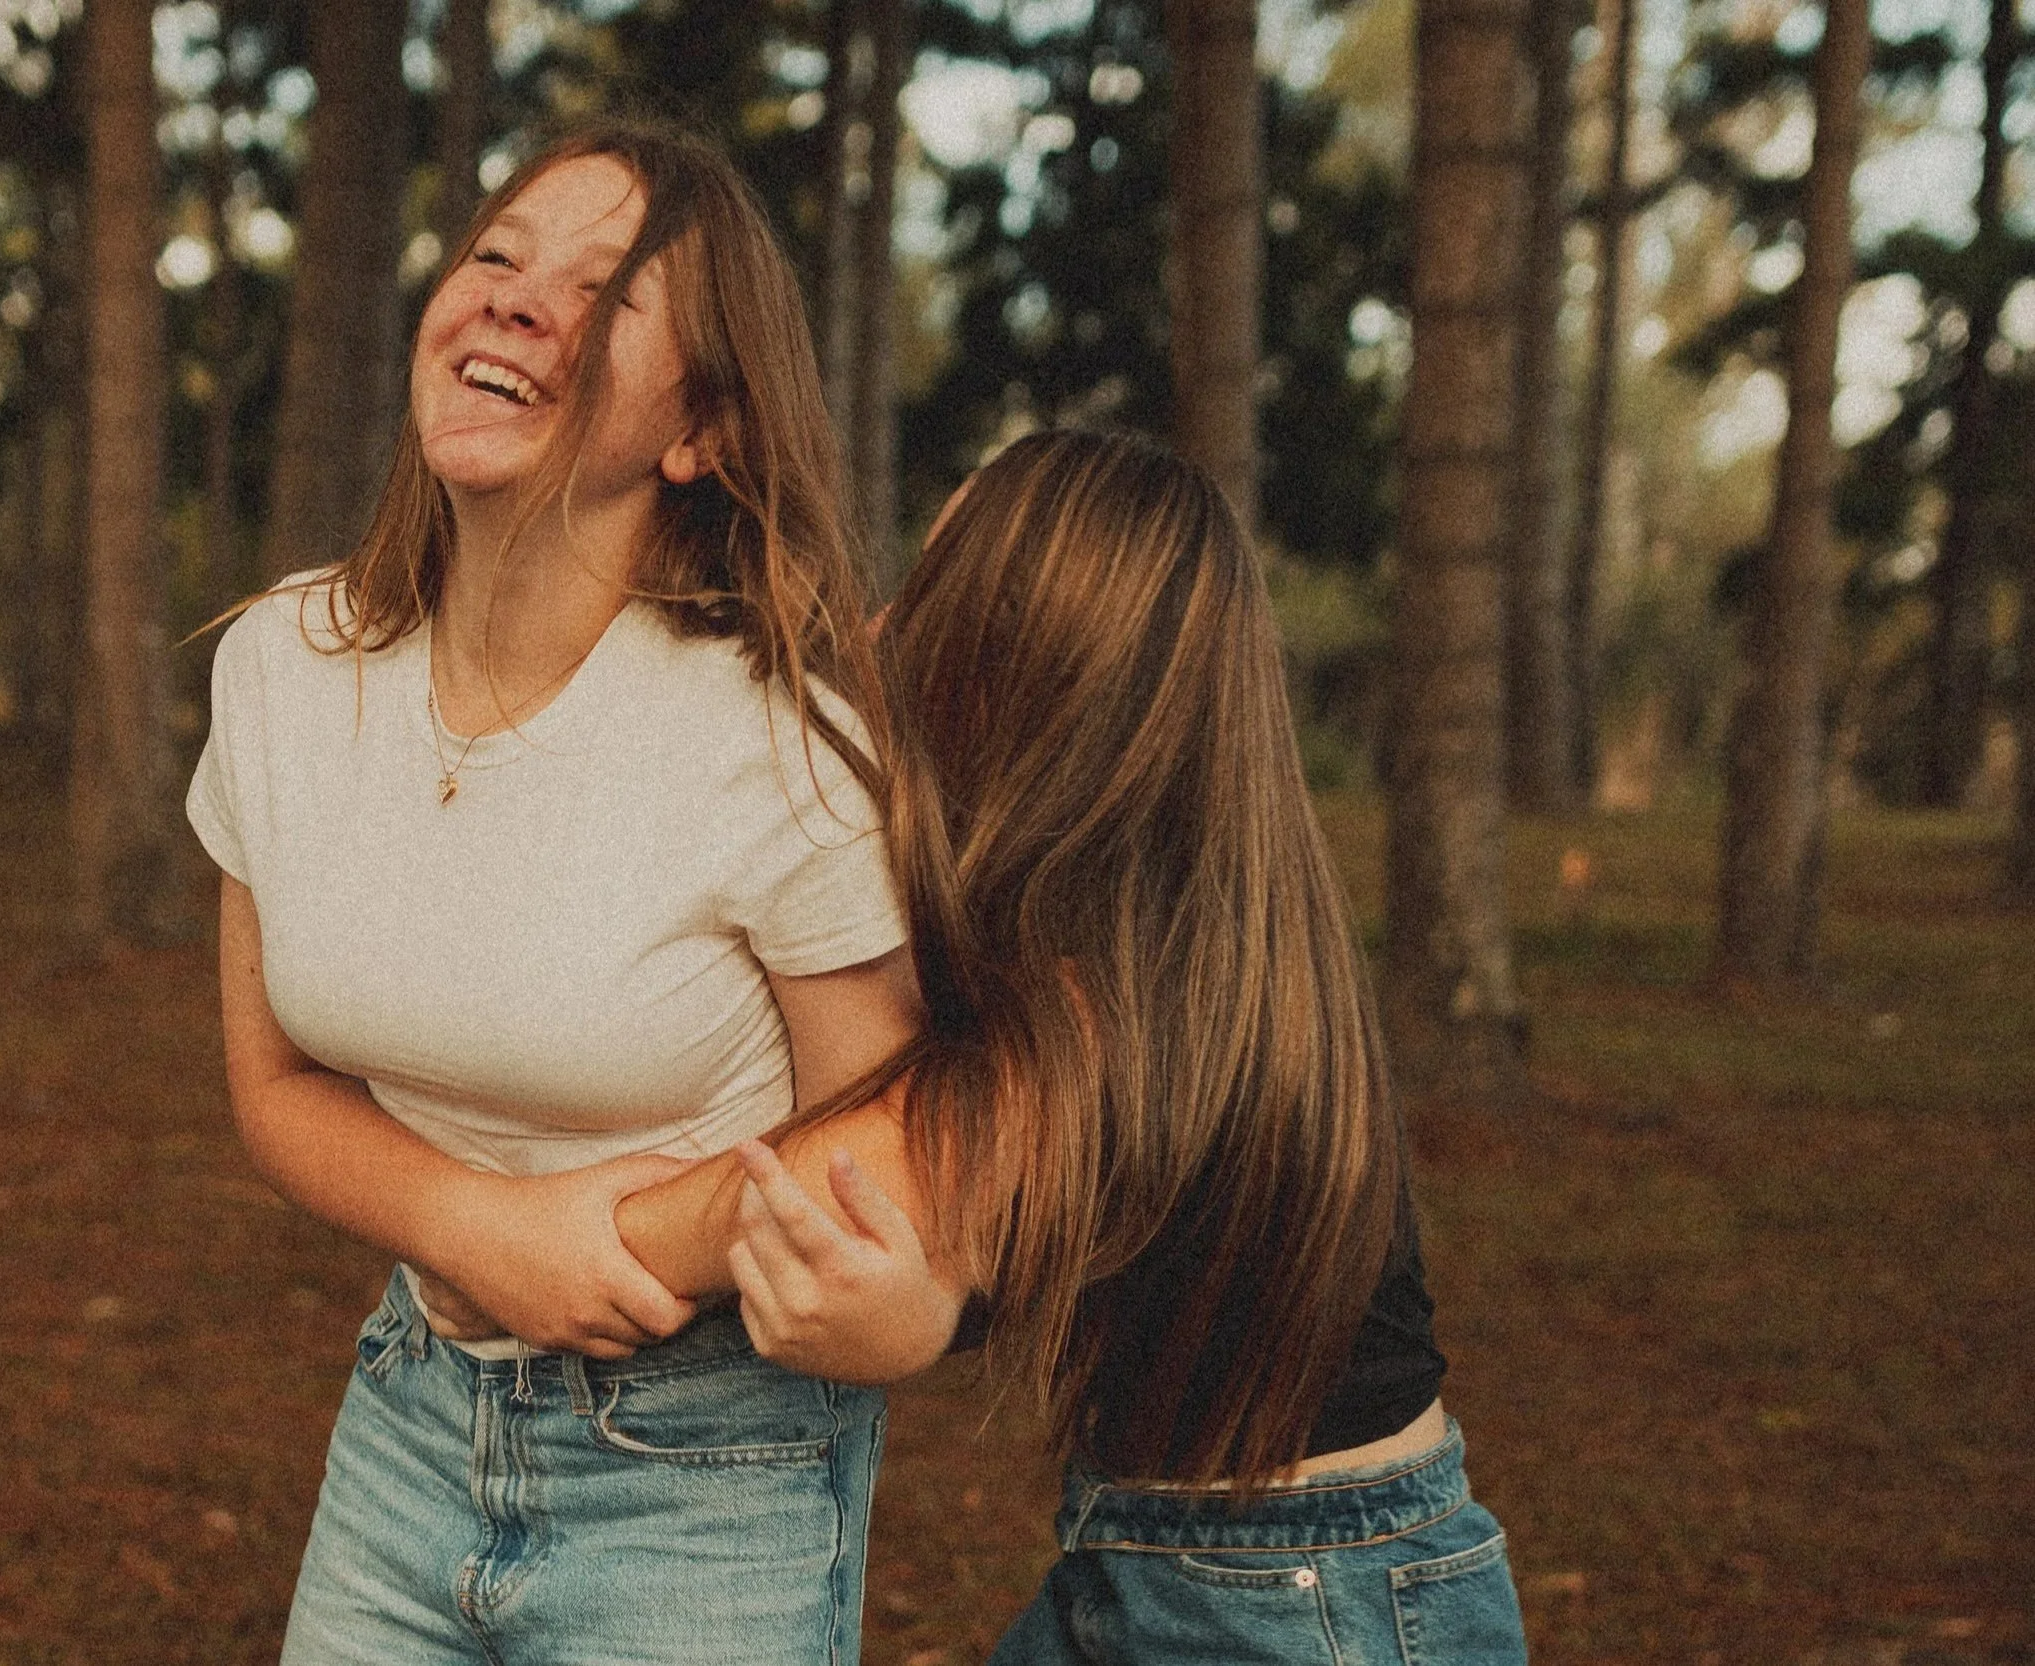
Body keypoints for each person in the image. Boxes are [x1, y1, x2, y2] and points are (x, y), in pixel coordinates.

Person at [187, 117, 926, 1666]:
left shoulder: (777, 734)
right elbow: (272, 1079)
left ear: (704, 429)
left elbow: (886, 1150)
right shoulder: (283, 665)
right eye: (496, 255)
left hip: (709, 1470)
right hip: (406, 1414)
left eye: (602, 289)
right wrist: (483, 1225)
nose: (518, 297)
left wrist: (646, 1233)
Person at [617, 429, 1529, 1664]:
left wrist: (508, 1231)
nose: (881, 631)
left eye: (929, 596)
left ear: (1014, 669)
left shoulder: (1103, 1000)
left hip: (1299, 1601)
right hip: (1240, 1558)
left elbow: (812, 1188)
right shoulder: (1209, 932)